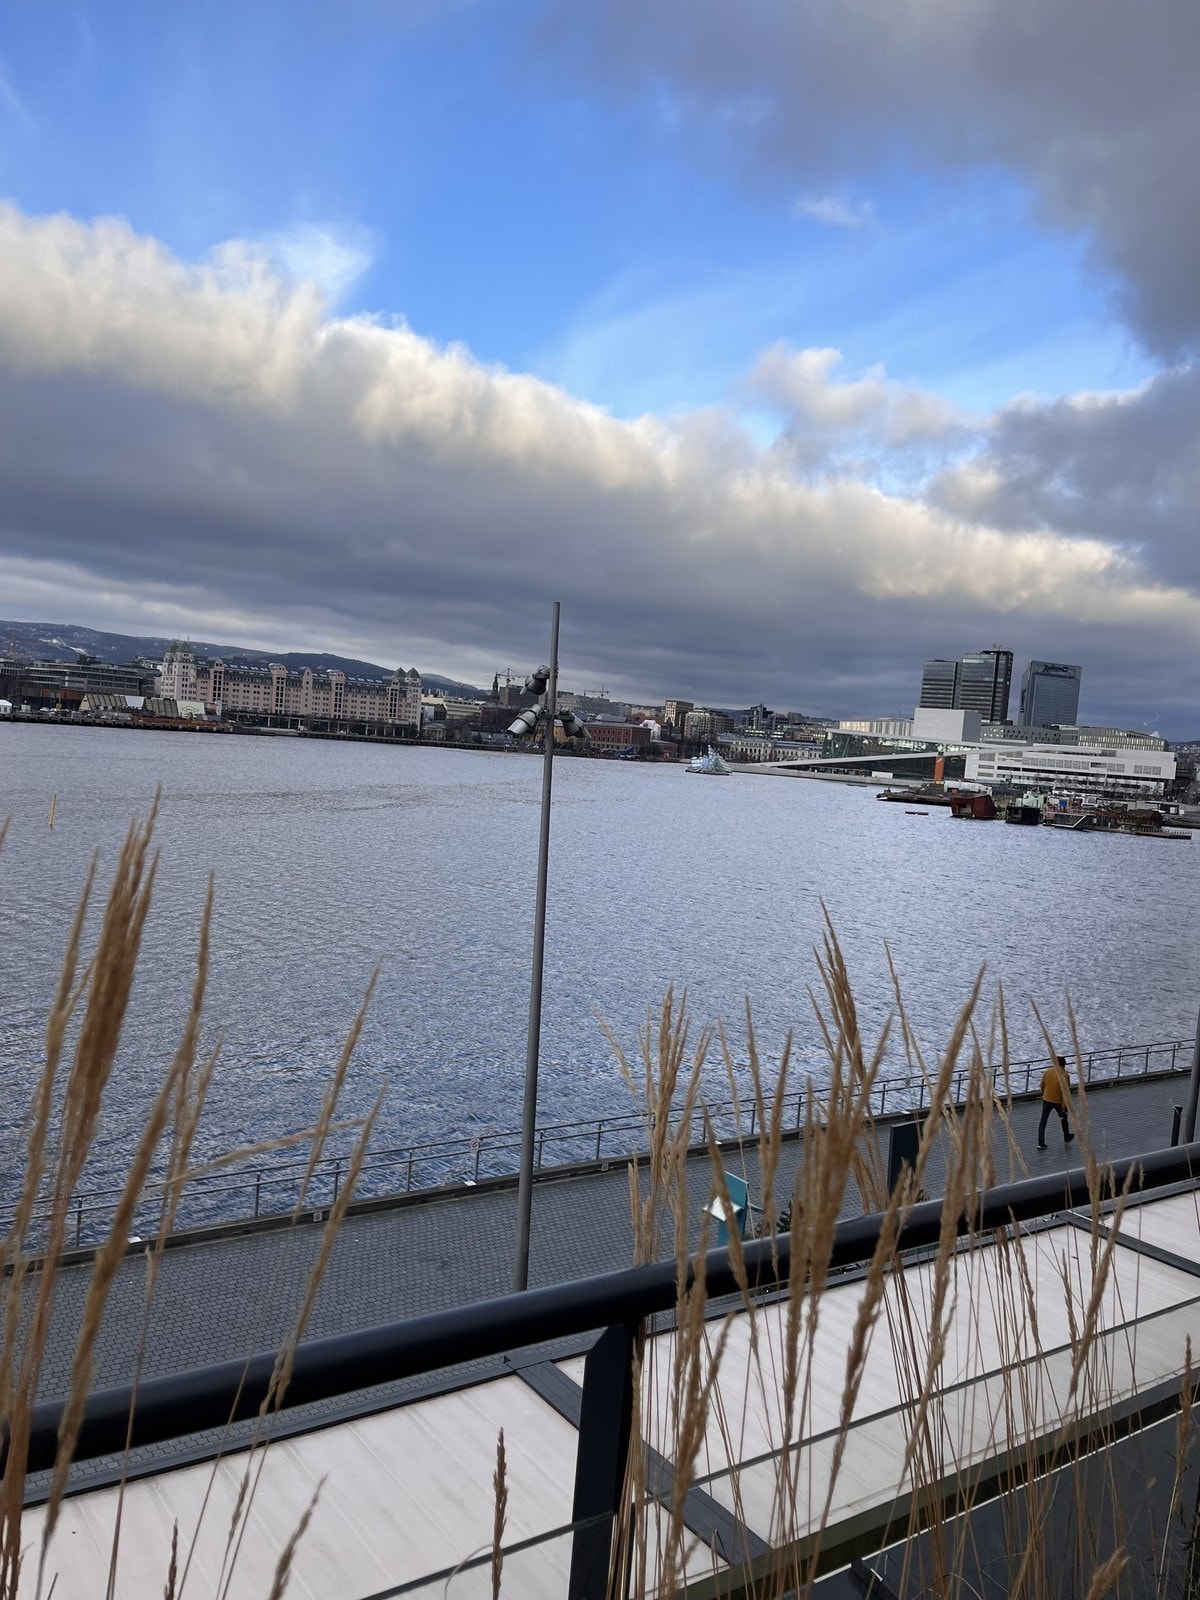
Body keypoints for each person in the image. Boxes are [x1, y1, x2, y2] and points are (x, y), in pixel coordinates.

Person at [1037, 1054, 1075, 1149]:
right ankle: (1067, 1136)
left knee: (1043, 1120)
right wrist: (1064, 1104)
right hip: (1059, 1102)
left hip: (1046, 1099)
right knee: (1063, 1119)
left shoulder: (1047, 1071)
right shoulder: (1065, 1075)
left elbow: (1041, 1085)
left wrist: (1044, 1094)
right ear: (1064, 1065)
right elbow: (1066, 1091)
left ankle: (1041, 1142)